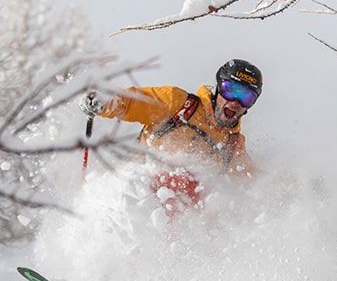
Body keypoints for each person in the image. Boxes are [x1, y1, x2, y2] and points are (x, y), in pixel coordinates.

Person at [79, 58, 263, 216]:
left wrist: (282, 190)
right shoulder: (180, 105)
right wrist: (105, 102)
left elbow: (253, 181)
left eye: (245, 97)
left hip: (184, 220)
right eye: (230, 90)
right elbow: (133, 102)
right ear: (218, 88)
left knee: (216, 205)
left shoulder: (233, 145)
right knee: (179, 177)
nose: (235, 102)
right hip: (140, 194)